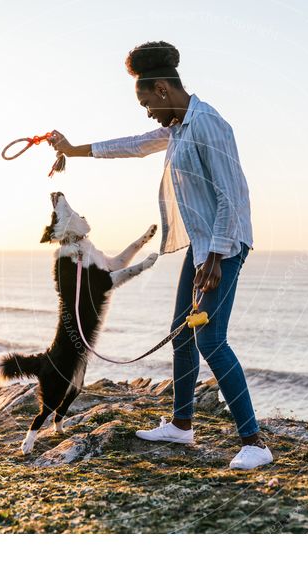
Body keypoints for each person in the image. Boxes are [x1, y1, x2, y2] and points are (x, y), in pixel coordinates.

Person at [48, 40, 272, 470]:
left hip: (223, 247)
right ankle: (182, 425)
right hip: (205, 246)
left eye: (147, 102)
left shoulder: (209, 124)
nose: (148, 112)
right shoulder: (179, 125)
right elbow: (134, 144)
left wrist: (216, 259)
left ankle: (254, 441)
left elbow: (232, 196)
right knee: (180, 333)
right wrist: (74, 150)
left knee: (210, 339)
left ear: (165, 90)